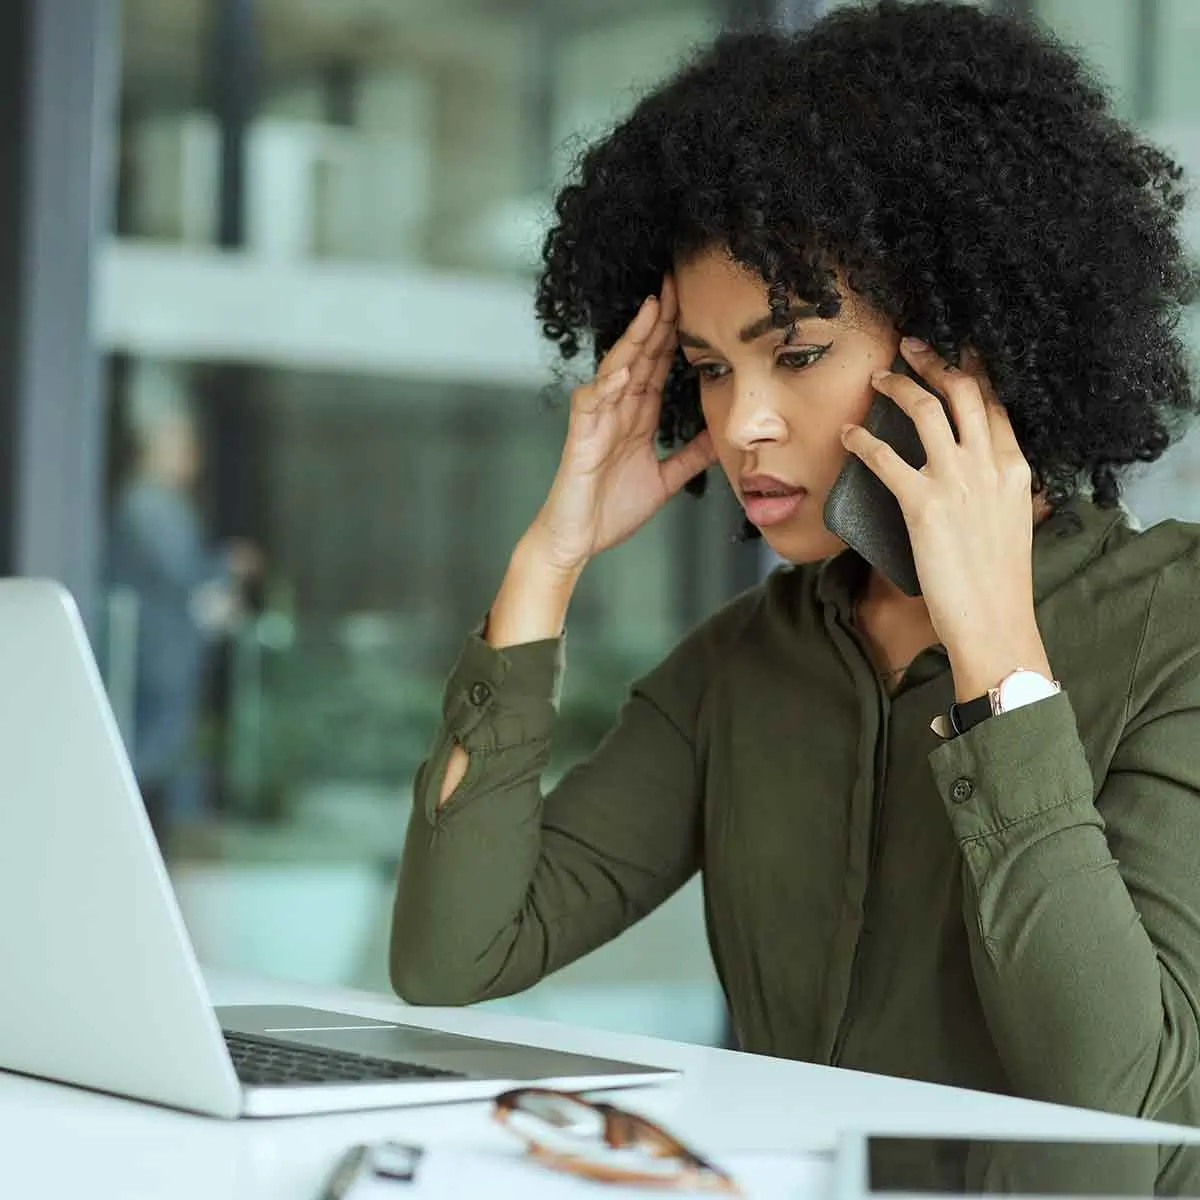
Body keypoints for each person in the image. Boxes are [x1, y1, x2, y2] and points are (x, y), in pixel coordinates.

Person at [391, 3, 1200, 1188]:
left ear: (959, 343)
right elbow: (456, 955)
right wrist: (545, 564)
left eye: (799, 352)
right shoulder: (740, 665)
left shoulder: (1177, 627)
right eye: (712, 372)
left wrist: (998, 663)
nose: (740, 425)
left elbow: (1119, 1097)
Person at [107, 366, 262, 845]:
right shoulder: (147, 505)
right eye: (181, 442)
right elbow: (182, 575)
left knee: (171, 760)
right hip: (154, 659)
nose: (191, 454)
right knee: (148, 759)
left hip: (167, 659)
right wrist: (224, 564)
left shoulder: (163, 505)